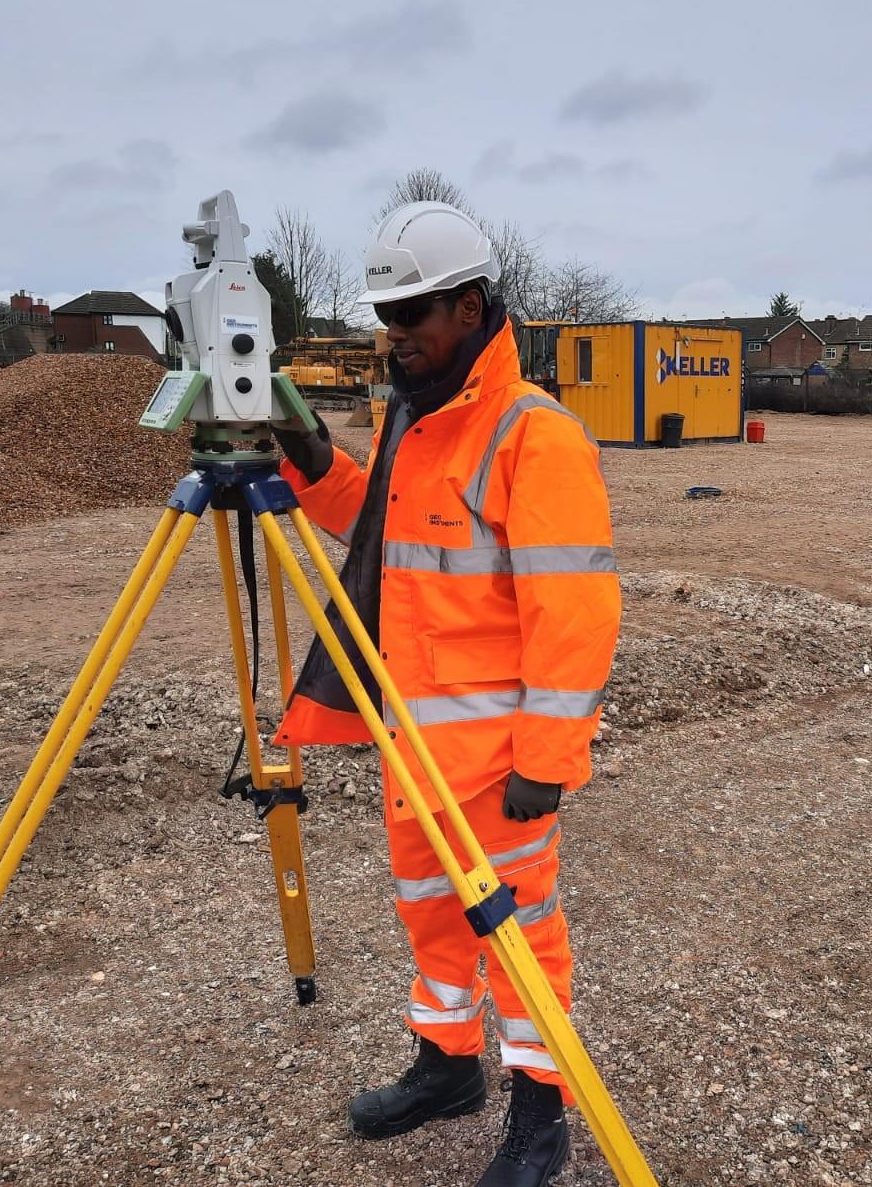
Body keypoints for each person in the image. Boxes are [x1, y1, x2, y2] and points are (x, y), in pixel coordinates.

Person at [273, 201, 621, 1187]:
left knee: (517, 939)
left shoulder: (532, 435)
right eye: (384, 317)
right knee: (429, 916)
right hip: (413, 747)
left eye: (411, 317)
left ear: (469, 309)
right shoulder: (413, 419)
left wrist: (546, 764)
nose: (393, 338)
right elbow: (380, 531)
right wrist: (306, 455)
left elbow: (577, 613)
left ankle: (540, 1114)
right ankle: (444, 1066)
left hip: (496, 764)